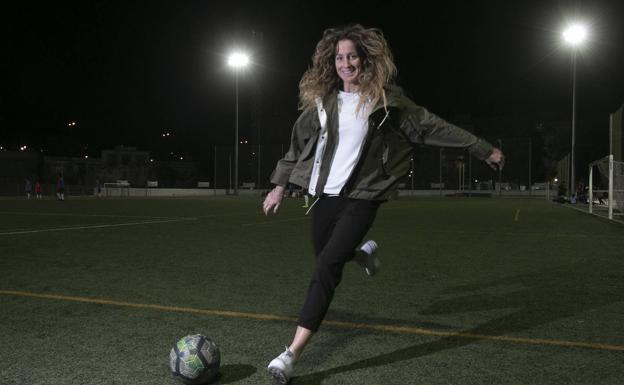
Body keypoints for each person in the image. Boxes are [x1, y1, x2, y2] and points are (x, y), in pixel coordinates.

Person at [261, 24, 504, 384]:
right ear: (333, 62)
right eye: (339, 57)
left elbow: (434, 126)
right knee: (327, 256)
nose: (345, 63)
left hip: (364, 195)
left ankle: (290, 354)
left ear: (365, 60)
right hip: (323, 196)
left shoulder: (387, 103)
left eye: (352, 56)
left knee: (327, 267)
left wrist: (482, 148)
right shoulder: (322, 104)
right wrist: (279, 186)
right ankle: (364, 254)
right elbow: (297, 147)